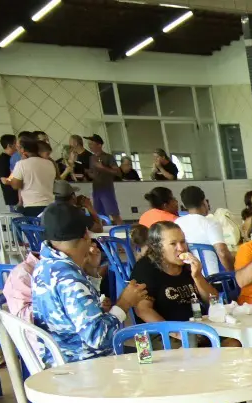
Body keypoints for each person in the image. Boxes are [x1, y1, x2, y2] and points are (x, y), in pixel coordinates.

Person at [30, 202, 146, 365]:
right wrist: (124, 303)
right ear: (86, 235)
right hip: (83, 366)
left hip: (60, 359)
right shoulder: (69, 278)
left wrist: (91, 272)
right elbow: (98, 338)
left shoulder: (45, 264)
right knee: (153, 360)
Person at [126, 220, 219, 323]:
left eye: (183, 242)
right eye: (173, 243)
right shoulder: (145, 268)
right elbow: (143, 310)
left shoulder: (187, 265)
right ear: (157, 247)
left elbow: (213, 301)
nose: (181, 248)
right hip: (165, 334)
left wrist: (197, 277)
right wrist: (177, 334)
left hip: (198, 326)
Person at [175, 185, 234, 270]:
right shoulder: (211, 223)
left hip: (193, 276)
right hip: (217, 278)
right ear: (204, 202)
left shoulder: (177, 223)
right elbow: (222, 253)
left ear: (184, 205)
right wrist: (233, 274)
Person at [6, 134, 56, 216]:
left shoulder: (21, 164)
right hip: (50, 206)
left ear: (22, 149)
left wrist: (10, 178)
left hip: (32, 206)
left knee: (34, 228)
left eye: (18, 147)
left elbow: (15, 185)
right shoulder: (50, 163)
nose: (17, 149)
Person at [84, 134, 121, 222]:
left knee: (113, 213)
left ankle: (122, 231)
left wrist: (103, 168)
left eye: (92, 144)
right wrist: (89, 173)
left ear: (99, 145)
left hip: (107, 190)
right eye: (89, 144)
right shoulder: (91, 158)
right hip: (96, 190)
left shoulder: (108, 157)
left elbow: (118, 173)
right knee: (100, 215)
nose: (90, 146)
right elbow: (94, 175)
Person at [0, 135, 20, 211]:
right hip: (13, 197)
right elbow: (5, 180)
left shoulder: (14, 158)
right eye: (16, 143)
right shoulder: (2, 159)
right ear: (10, 145)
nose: (18, 146)